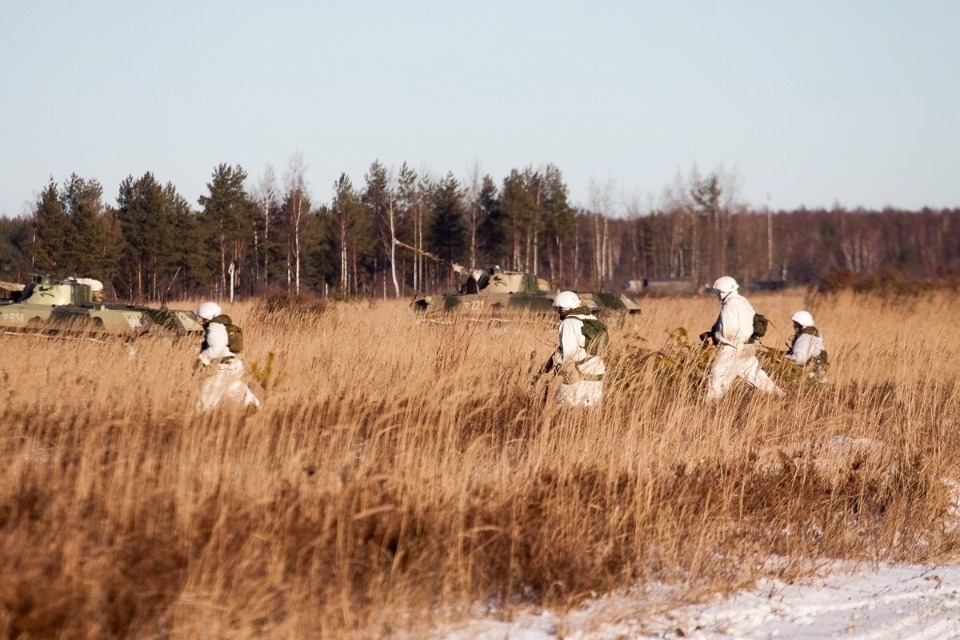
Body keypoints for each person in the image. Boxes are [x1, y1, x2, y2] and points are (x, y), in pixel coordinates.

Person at [703, 276, 783, 401]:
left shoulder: (729, 306)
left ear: (722, 292)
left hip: (732, 349)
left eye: (717, 292)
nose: (717, 295)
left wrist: (715, 338)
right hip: (747, 347)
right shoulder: (743, 301)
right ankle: (781, 397)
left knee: (717, 376)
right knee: (756, 376)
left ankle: (711, 405)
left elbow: (728, 332)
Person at [195, 301, 260, 412]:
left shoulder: (214, 327)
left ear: (207, 316)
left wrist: (202, 357)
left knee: (204, 404)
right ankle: (257, 415)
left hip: (221, 369)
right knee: (244, 398)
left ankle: (198, 423)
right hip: (232, 367)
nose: (200, 321)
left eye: (202, 318)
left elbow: (217, 349)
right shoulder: (224, 326)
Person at [545, 290, 606, 407]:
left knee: (565, 408)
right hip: (596, 370)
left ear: (565, 307)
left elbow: (569, 352)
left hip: (578, 372)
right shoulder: (590, 317)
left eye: (559, 308)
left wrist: (557, 362)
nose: (558, 312)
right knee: (589, 409)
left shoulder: (568, 322)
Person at [784, 310, 829, 383]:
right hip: (818, 373)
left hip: (809, 376)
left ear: (801, 324)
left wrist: (783, 358)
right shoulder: (816, 335)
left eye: (795, 324)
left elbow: (800, 359)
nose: (794, 326)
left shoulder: (804, 337)